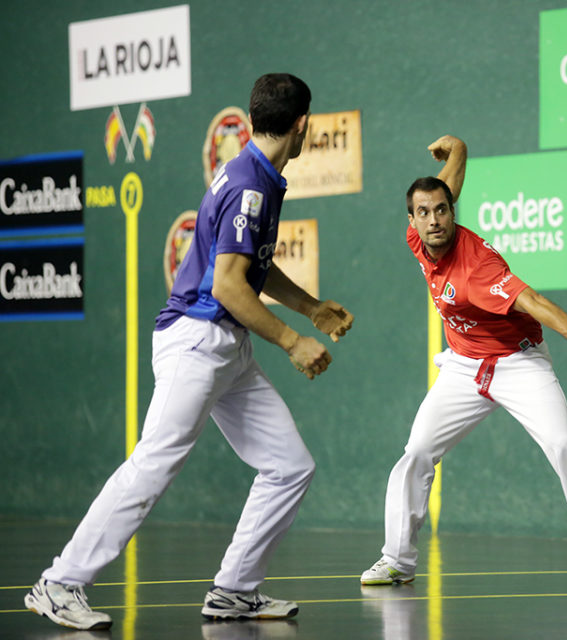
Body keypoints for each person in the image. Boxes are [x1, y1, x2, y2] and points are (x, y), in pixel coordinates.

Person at [24, 73, 354, 631]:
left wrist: (311, 308)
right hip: (198, 340)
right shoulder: (251, 184)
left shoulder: (258, 174)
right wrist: (294, 341)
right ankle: (60, 583)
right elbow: (227, 285)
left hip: (228, 350)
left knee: (289, 466)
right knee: (154, 463)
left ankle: (234, 590)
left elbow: (254, 266)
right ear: (302, 125)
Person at [360, 135, 567, 586]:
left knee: (562, 442)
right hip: (462, 366)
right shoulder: (420, 239)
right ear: (412, 219)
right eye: (424, 212)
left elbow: (530, 300)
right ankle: (397, 559)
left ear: (453, 212)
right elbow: (445, 183)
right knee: (416, 452)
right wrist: (458, 149)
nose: (434, 219)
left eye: (442, 210)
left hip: (519, 365)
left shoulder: (478, 269)